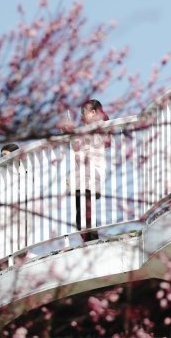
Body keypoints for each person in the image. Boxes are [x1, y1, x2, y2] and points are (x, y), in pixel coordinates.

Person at [71, 99, 110, 241]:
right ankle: (90, 240)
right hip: (81, 177)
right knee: (81, 215)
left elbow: (105, 141)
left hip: (91, 174)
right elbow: (76, 149)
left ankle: (92, 240)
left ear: (93, 112)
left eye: (84, 112)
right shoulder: (85, 132)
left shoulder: (99, 128)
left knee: (85, 213)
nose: (82, 116)